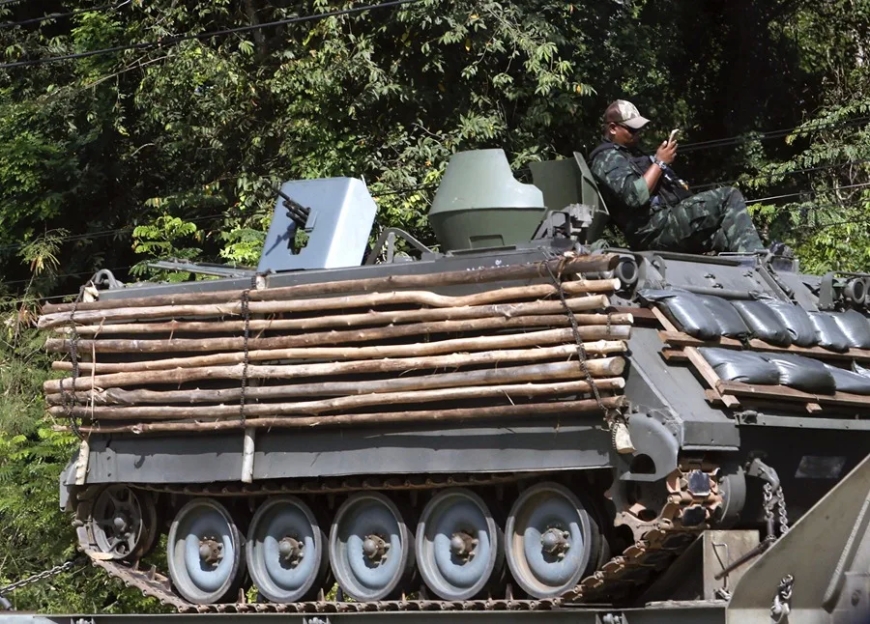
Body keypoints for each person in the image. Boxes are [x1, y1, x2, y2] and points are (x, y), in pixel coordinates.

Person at [588, 99, 768, 254]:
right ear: (612, 128)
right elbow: (635, 197)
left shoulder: (631, 153)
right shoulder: (606, 158)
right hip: (653, 230)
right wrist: (659, 163)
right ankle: (757, 262)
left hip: (665, 224)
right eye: (632, 129)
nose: (639, 134)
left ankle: (763, 273)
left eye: (640, 128)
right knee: (728, 196)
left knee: (729, 235)